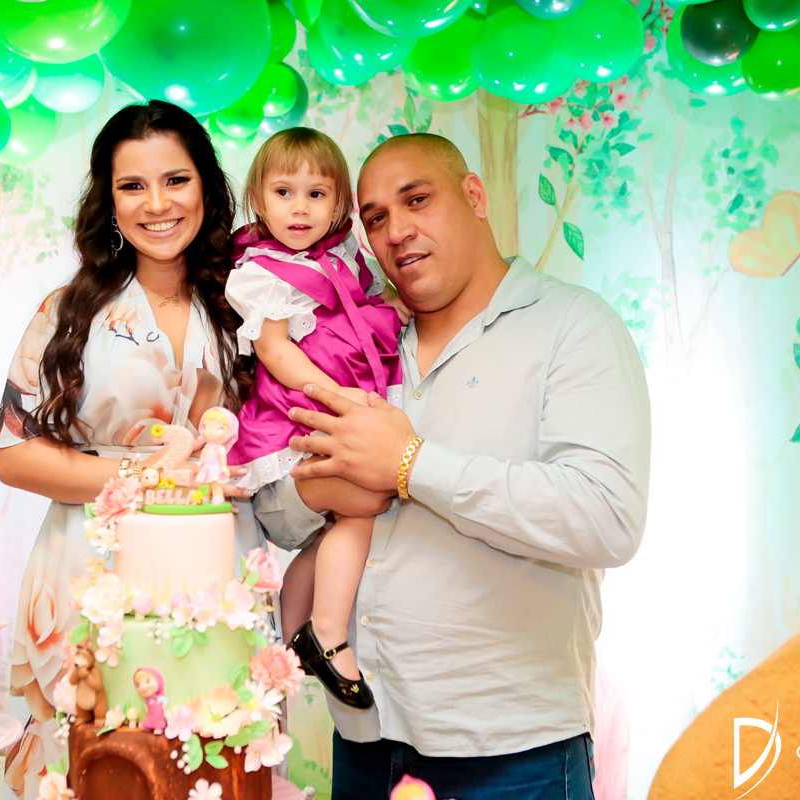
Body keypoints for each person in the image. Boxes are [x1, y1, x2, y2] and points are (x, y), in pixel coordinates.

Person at [254, 133, 653, 800]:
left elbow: (607, 518)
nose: (396, 231)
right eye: (376, 217)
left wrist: (410, 464)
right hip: (364, 741)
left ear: (474, 195)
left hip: (514, 754)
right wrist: (324, 491)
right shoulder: (356, 340)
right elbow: (273, 515)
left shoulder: (572, 326)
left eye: (417, 200)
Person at [0, 101, 253, 800]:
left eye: (176, 180)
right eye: (132, 186)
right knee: (92, 767)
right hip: (89, 568)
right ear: (108, 201)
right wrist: (144, 470)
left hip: (211, 573)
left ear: (207, 188)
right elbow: (14, 455)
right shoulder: (68, 312)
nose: (157, 204)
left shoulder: (246, 308)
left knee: (212, 766)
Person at [224, 128, 408, 709]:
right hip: (292, 429)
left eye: (316, 194)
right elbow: (275, 351)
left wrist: (393, 305)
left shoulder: (344, 256)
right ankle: (327, 634)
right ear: (259, 199)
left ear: (338, 204)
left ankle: (290, 642)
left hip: (333, 420)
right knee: (369, 497)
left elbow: (365, 305)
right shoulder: (261, 273)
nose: (299, 208)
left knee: (340, 527)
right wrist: (337, 397)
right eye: (284, 192)